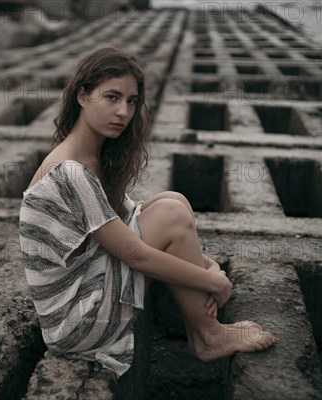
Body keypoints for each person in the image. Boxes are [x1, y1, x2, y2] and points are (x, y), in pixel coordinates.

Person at [19, 47, 278, 377]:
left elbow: (132, 218)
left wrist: (202, 265)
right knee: (171, 215)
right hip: (75, 322)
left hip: (86, 289)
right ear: (82, 96)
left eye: (131, 101)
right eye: (111, 97)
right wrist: (213, 281)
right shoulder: (70, 172)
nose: (123, 112)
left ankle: (205, 330)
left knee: (172, 200)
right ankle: (208, 335)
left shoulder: (94, 159)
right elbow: (136, 254)